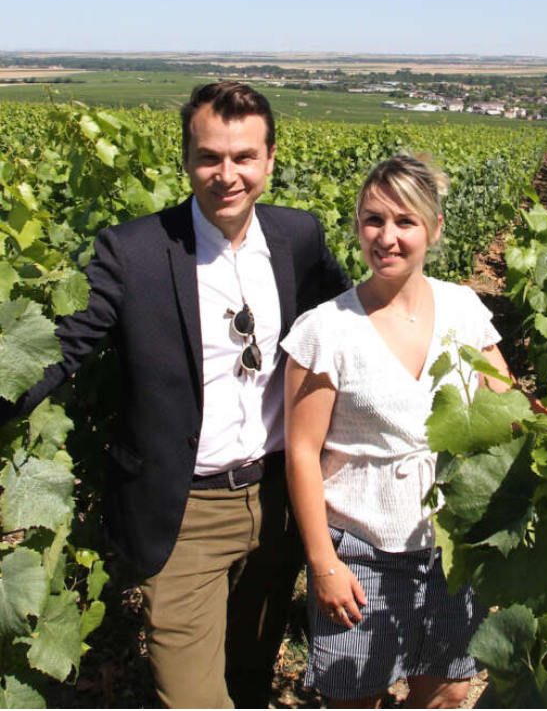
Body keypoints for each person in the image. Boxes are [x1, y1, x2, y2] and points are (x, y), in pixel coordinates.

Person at [1, 82, 350, 708]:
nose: (227, 174)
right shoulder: (131, 252)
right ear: (185, 159)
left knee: (247, 674)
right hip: (183, 511)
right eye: (210, 157)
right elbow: (60, 348)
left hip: (283, 499)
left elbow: (359, 327)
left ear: (270, 160)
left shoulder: (299, 238)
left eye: (244, 157)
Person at [281, 154, 516, 709]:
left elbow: (506, 410)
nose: (386, 237)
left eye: (404, 221)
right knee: (355, 696)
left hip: (447, 541)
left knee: (449, 688)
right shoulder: (325, 331)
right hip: (361, 549)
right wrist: (323, 564)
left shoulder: (464, 308)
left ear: (434, 230)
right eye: (373, 219)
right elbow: (301, 453)